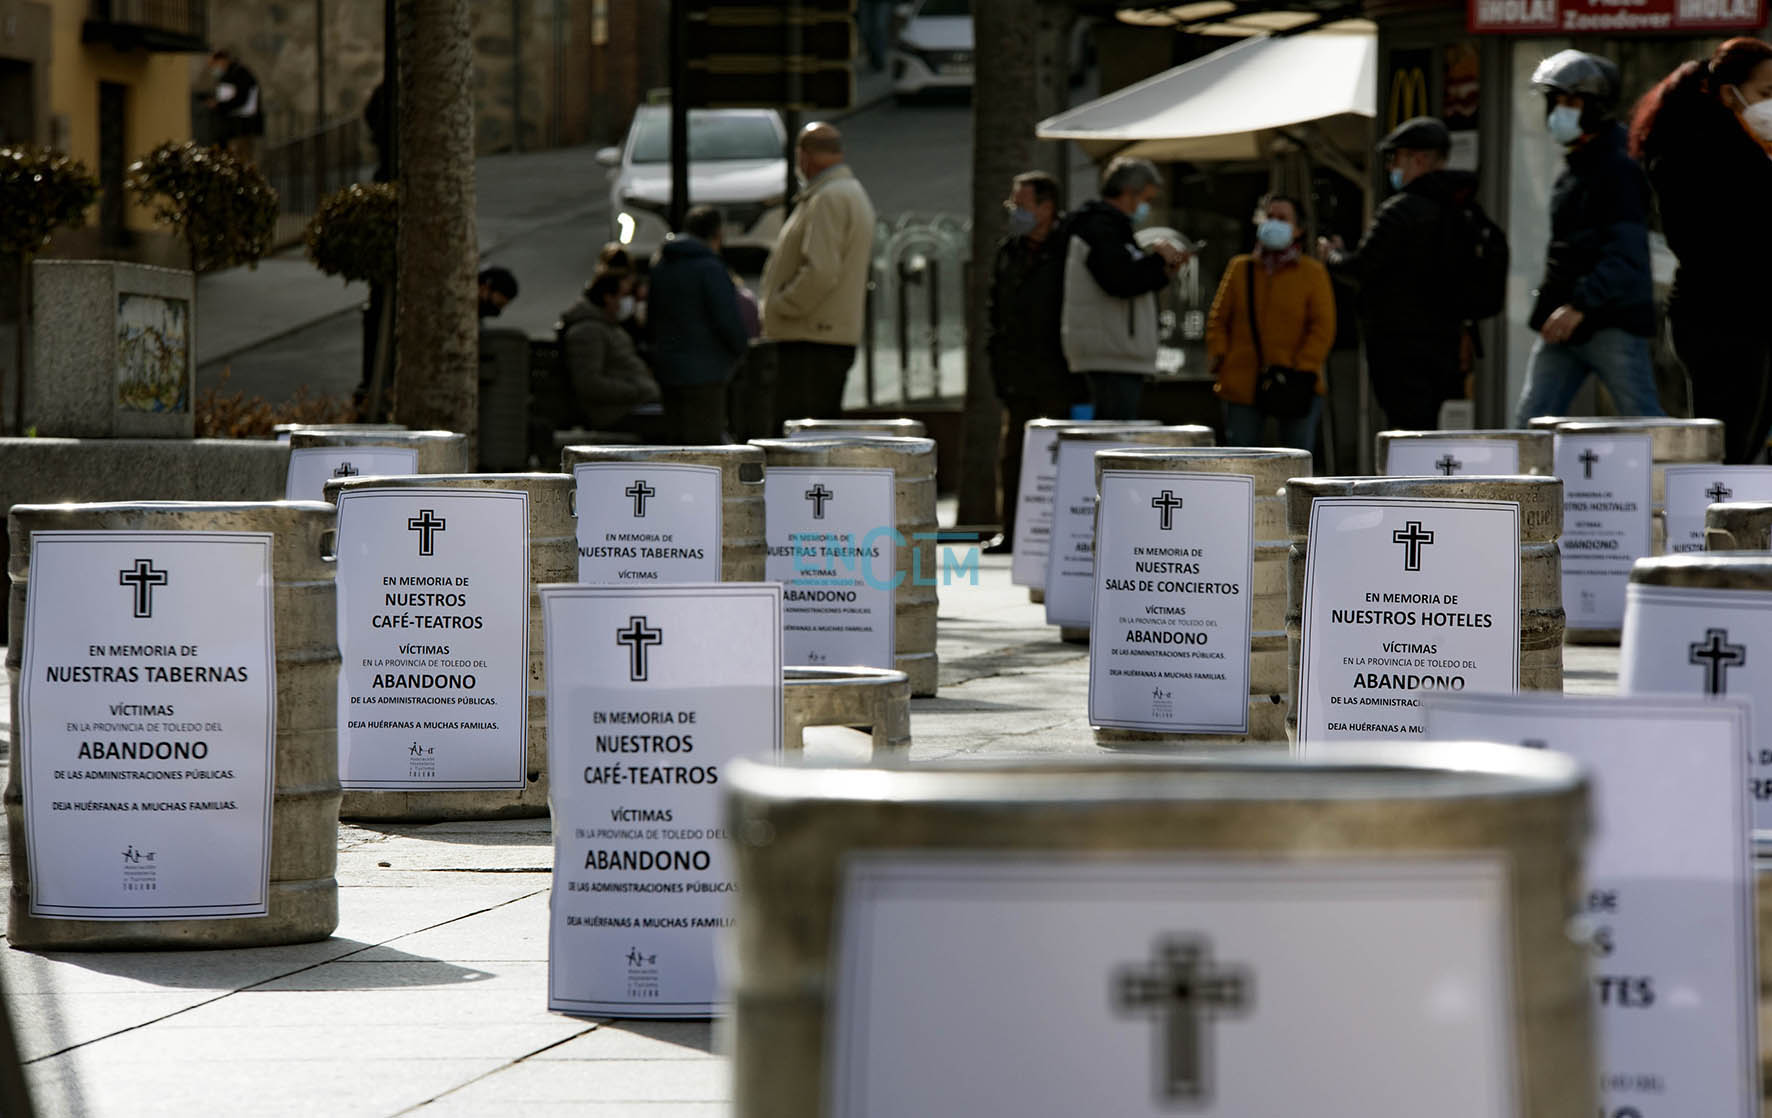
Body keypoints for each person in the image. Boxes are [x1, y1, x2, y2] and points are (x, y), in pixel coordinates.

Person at [1632, 38, 1772, 463]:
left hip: (1742, 313)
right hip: (1722, 315)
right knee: (1730, 444)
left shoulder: (1745, 150)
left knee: (1744, 440)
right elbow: (1713, 241)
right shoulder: (1697, 150)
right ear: (1729, 93)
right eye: (1766, 93)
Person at [1510, 50, 1664, 428]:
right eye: (1557, 101)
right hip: (1564, 322)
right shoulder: (1577, 166)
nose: (1561, 111)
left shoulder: (1617, 167)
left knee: (1645, 425)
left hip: (1608, 322)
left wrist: (1581, 304)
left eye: (1573, 102)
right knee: (1530, 426)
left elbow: (1625, 253)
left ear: (1596, 107)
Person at [1317, 117, 1472, 431]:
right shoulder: (1461, 208)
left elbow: (1360, 267)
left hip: (1400, 347)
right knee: (1429, 429)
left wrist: (1331, 256)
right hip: (1446, 344)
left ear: (1419, 160)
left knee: (1406, 431)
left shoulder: (1400, 210)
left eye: (1396, 158)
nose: (1391, 167)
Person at [759, 122, 877, 432]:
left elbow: (821, 272)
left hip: (811, 338)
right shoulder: (844, 193)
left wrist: (781, 305)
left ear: (804, 155)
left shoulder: (829, 197)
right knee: (816, 434)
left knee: (802, 437)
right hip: (822, 336)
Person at [1060, 156, 1189, 420]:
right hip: (1110, 352)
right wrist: (1158, 261)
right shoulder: (1099, 227)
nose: (1146, 207)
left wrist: (1163, 271)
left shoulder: (1110, 226)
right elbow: (1121, 279)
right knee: (1114, 432)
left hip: (1114, 350)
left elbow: (1130, 275)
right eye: (1146, 199)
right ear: (1129, 192)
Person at [987, 171, 1077, 548]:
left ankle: (1064, 535)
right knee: (1014, 456)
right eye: (1013, 204)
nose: (1015, 211)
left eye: (1022, 204)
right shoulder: (1010, 252)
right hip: (1017, 373)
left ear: (1046, 207)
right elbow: (996, 312)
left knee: (1061, 456)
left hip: (1060, 373)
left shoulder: (1071, 248)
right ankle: (1012, 532)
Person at [1206, 194, 1337, 453]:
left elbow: (1323, 327)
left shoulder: (1312, 272)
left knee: (1295, 458)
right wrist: (1220, 356)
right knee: (1242, 459)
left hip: (1296, 382)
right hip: (1242, 380)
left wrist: (1302, 366)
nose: (1274, 223)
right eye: (1269, 217)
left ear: (1298, 229)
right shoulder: (1240, 268)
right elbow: (1218, 319)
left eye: (1282, 218)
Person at [647, 206, 750, 444]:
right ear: (717, 234)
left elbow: (652, 320)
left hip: (669, 371)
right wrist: (740, 349)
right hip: (706, 373)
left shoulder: (662, 265)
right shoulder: (711, 268)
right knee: (705, 446)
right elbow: (727, 320)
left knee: (675, 444)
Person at [559, 271, 661, 430]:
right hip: (614, 412)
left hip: (632, 405)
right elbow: (589, 383)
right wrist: (636, 390)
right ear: (608, 297)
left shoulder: (610, 326)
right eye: (624, 295)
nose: (629, 301)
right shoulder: (587, 332)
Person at [204, 50, 264, 164]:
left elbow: (241, 99)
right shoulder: (228, 75)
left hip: (242, 127)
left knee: (241, 160)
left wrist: (219, 105)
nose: (213, 68)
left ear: (222, 60)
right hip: (232, 128)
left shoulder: (240, 74)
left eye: (214, 64)